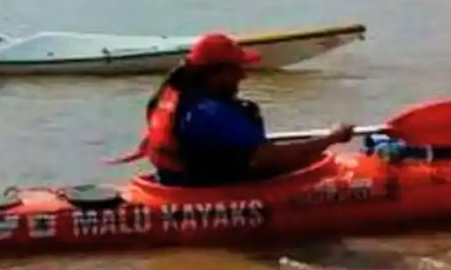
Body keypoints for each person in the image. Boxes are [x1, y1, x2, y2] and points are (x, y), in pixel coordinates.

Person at [141, 33, 356, 187]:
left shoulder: (173, 100)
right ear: (214, 73)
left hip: (173, 183)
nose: (242, 76)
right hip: (207, 192)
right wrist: (332, 138)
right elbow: (272, 158)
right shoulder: (213, 114)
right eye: (237, 69)